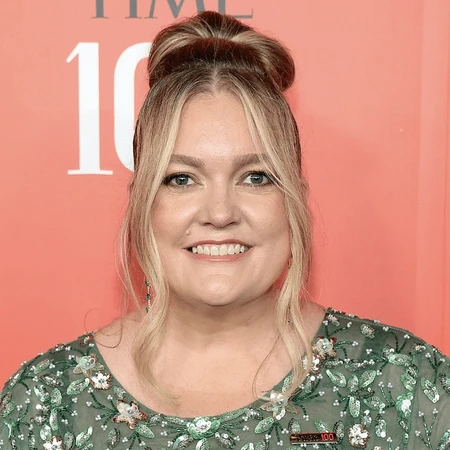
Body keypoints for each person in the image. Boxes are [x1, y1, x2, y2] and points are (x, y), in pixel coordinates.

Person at [1, 11, 449, 450]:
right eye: (181, 178)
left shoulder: (408, 387)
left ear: (294, 198)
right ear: (141, 203)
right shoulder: (43, 404)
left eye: (256, 177)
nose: (219, 213)